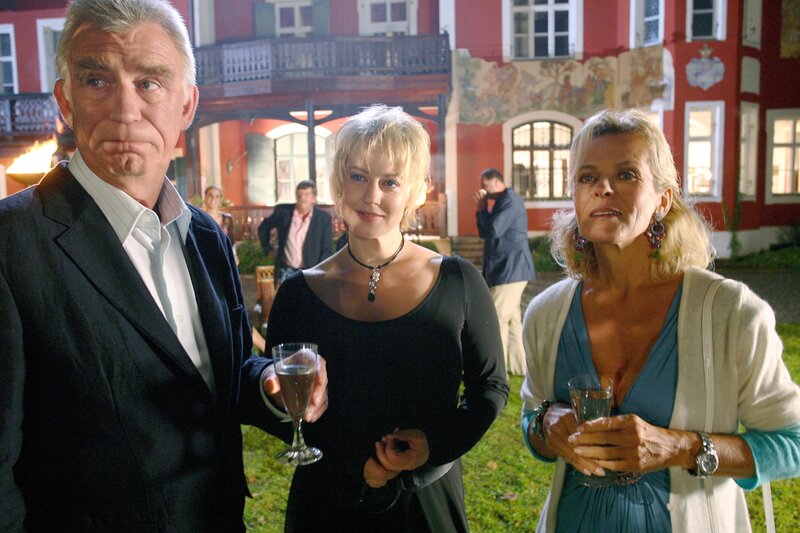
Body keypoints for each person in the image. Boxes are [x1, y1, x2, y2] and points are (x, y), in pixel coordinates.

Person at [0, 0, 327, 530]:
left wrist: (267, 380)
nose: (125, 109)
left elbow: (215, 373)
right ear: (66, 101)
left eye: (149, 82)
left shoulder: (206, 236)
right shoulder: (11, 244)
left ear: (187, 104)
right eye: (96, 81)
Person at [520, 109, 800, 532]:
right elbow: (531, 418)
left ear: (663, 199)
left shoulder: (731, 312)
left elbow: (791, 443)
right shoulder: (546, 313)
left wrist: (678, 447)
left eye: (626, 175)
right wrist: (546, 425)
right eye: (587, 177)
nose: (603, 188)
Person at [265, 104, 509, 531]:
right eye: (358, 176)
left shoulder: (458, 282)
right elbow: (283, 406)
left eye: (390, 182)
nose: (371, 196)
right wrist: (346, 457)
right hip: (327, 502)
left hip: (425, 504)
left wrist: (430, 448)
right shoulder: (298, 294)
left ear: (416, 191)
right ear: (338, 183)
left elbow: (490, 388)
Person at [474, 167, 535, 375]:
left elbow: (493, 230)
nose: (483, 190)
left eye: (485, 185)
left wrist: (483, 208)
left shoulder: (510, 200)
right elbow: (485, 233)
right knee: (513, 321)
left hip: (511, 270)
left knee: (496, 319)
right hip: (508, 270)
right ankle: (519, 367)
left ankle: (496, 371)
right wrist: (482, 210)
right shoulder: (502, 201)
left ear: (496, 182)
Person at [257, 179, 333, 286]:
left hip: (311, 272)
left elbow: (327, 250)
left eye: (306, 194)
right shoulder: (284, 212)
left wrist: (320, 273)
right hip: (286, 271)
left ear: (314, 198)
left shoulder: (323, 219)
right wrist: (268, 249)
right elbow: (263, 227)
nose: (302, 198)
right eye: (299, 195)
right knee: (286, 297)